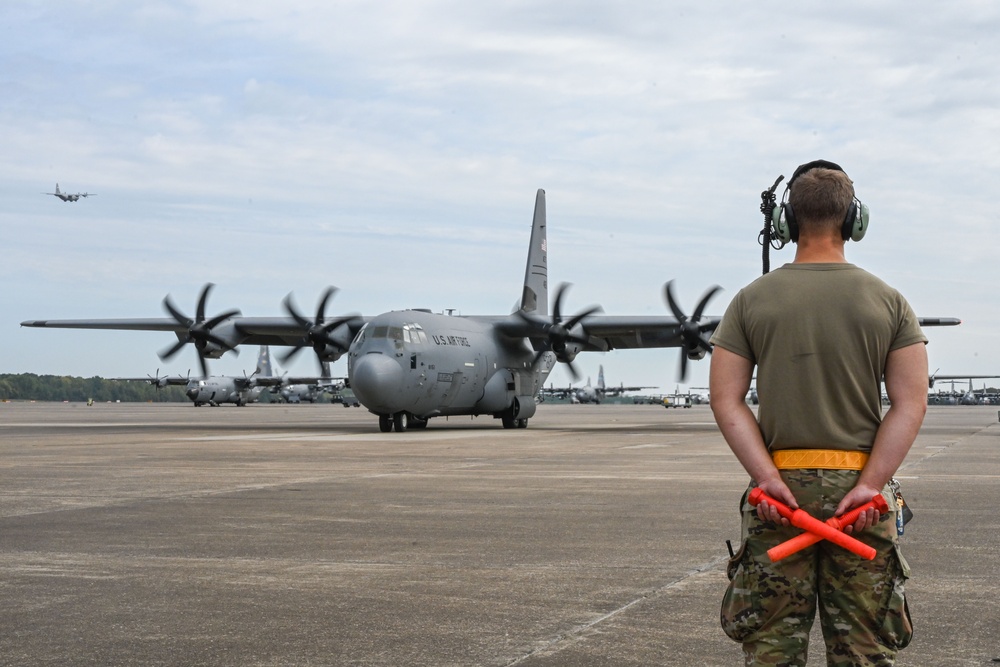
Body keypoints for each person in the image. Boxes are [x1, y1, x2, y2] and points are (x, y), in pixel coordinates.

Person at [709, 160, 928, 666]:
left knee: (771, 648)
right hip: (862, 500)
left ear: (787, 221)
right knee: (863, 648)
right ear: (855, 219)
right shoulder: (890, 302)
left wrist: (765, 479)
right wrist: (873, 484)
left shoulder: (750, 301)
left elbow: (726, 399)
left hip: (781, 498)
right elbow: (910, 402)